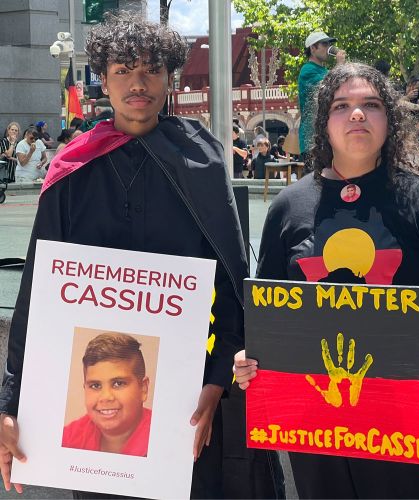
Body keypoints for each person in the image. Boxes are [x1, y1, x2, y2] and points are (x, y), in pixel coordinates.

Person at [0, 11, 278, 499]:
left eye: (151, 69)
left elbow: (230, 285)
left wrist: (215, 384)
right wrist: (10, 400)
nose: (138, 83)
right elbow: (37, 296)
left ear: (169, 77)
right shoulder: (73, 168)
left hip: (186, 398)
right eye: (123, 70)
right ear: (103, 80)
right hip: (94, 422)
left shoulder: (203, 160)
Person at [234, 62, 419, 499]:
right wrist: (253, 358)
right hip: (316, 432)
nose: (356, 114)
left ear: (390, 121)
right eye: (342, 106)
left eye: (370, 105)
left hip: (404, 426)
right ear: (324, 124)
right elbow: (269, 314)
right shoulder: (289, 207)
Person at [62, 333, 152, 457]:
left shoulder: (164, 438)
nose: (106, 397)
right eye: (95, 385)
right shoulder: (68, 438)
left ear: (143, 389)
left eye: (118, 383)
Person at [298, 31, 346, 164]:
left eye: (329, 44)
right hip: (312, 140)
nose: (329, 47)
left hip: (325, 138)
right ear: (313, 48)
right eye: (324, 44)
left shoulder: (325, 71)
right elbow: (328, 86)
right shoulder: (307, 70)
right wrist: (340, 65)